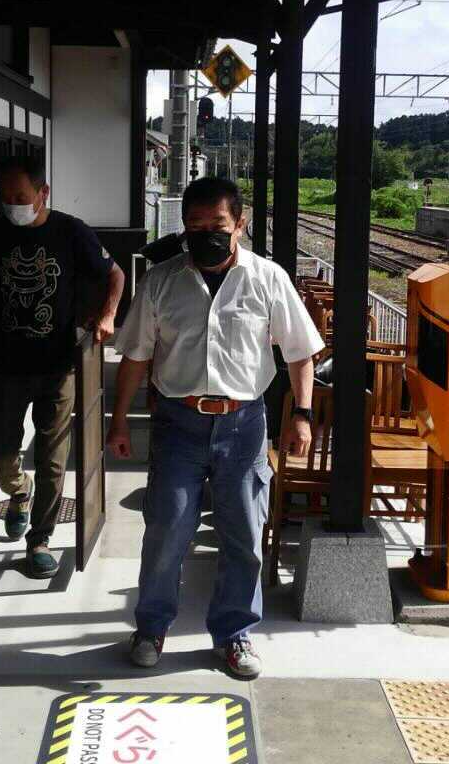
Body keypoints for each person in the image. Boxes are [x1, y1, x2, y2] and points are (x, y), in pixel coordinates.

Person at [108, 176, 324, 679]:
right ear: (183, 227)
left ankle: (234, 634)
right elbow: (136, 356)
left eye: (217, 225)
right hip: (178, 422)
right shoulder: (161, 280)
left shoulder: (269, 279)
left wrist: (303, 415)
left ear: (240, 225)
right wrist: (119, 419)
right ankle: (151, 626)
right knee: (166, 528)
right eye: (195, 225)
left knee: (244, 534)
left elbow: (300, 352)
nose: (205, 233)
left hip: (244, 424)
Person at [0, 154, 124, 579]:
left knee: (53, 457)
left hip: (57, 364)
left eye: (21, 196)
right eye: (5, 196)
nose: (12, 203)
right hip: (5, 362)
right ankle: (19, 492)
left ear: (42, 193)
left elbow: (116, 275)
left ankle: (40, 540)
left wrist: (107, 316)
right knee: (0, 450)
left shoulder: (70, 232)